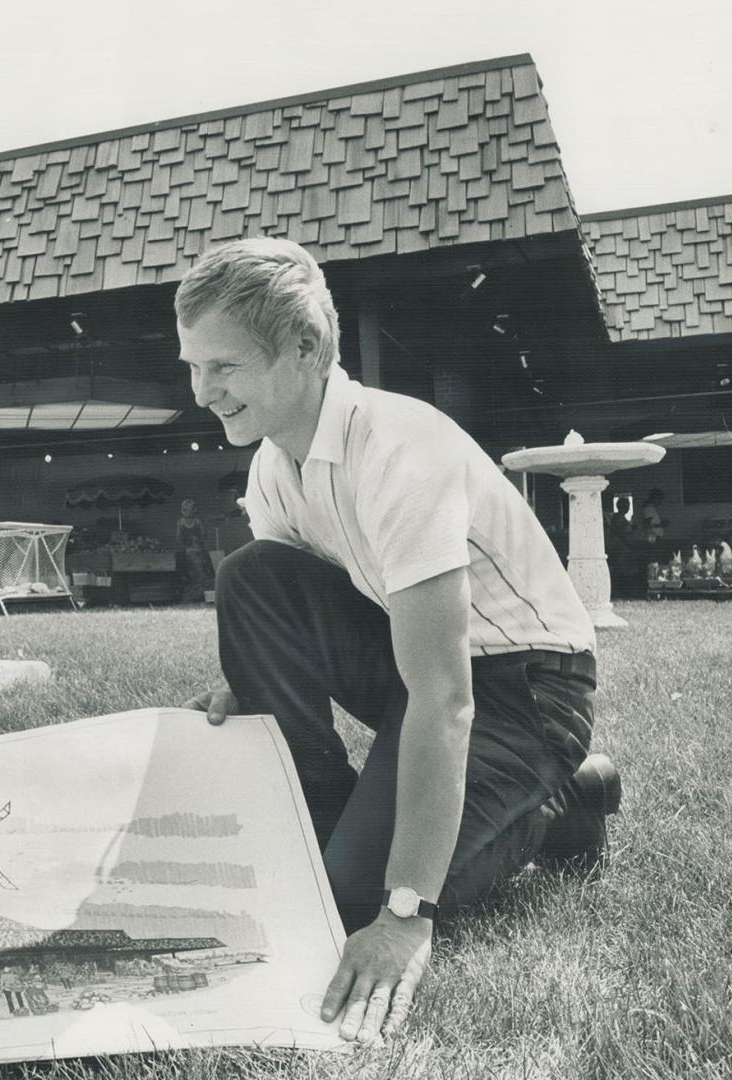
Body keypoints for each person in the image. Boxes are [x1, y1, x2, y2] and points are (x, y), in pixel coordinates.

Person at [174, 238, 619, 1046]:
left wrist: (405, 911)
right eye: (194, 367)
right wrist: (251, 683)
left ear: (305, 349)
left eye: (224, 367)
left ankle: (564, 798)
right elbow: (295, 611)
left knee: (348, 903)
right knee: (251, 575)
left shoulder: (399, 450)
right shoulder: (274, 465)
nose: (204, 392)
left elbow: (446, 701)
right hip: (421, 668)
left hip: (526, 689)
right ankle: (318, 811)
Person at [174, 498, 213, 599]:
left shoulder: (198, 522)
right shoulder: (180, 522)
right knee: (188, 572)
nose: (188, 512)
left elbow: (204, 536)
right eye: (185, 509)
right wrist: (186, 547)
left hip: (199, 550)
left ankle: (203, 594)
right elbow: (178, 538)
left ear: (194, 510)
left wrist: (198, 544)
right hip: (186, 551)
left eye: (190, 509)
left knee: (203, 573)